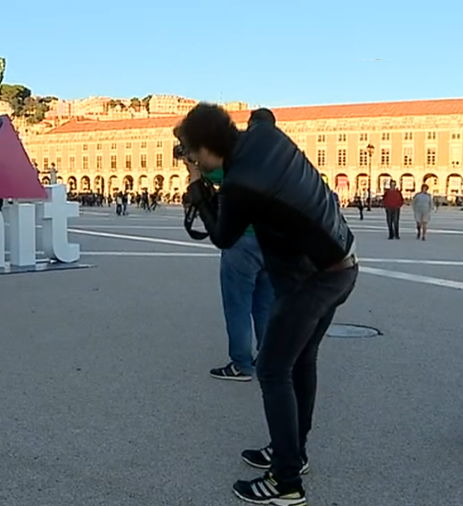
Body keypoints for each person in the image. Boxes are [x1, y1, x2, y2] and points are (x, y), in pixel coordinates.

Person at [176, 103, 358, 505]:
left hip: (312, 281)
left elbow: (223, 236)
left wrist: (197, 189)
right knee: (301, 360)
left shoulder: (242, 183)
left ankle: (286, 482)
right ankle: (292, 452)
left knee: (274, 369)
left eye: (192, 152)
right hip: (342, 264)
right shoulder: (261, 134)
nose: (191, 160)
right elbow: (263, 115)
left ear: (206, 148)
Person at [180, 110, 275, 382]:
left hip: (242, 237)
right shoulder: (269, 153)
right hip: (269, 237)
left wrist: (193, 169)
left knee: (237, 304)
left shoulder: (234, 154)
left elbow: (213, 175)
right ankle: (268, 359)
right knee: (264, 304)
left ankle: (241, 364)